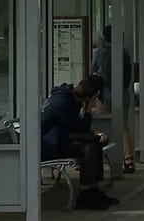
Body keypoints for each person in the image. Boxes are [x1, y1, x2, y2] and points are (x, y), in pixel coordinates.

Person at [41, 75, 118, 209]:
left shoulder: (67, 96)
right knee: (89, 148)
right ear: (90, 97)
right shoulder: (63, 103)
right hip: (47, 145)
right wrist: (88, 108)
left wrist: (94, 134)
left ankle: (94, 190)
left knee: (95, 143)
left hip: (57, 138)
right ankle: (85, 193)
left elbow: (73, 127)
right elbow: (81, 128)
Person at [90, 24, 137, 172]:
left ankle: (96, 157)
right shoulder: (124, 51)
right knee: (123, 127)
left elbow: (93, 70)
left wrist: (99, 46)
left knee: (100, 125)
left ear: (104, 36)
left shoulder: (99, 52)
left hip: (104, 94)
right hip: (122, 94)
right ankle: (128, 159)